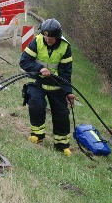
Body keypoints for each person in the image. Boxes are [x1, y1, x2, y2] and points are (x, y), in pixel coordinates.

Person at [19, 18, 76, 156]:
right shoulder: (37, 41)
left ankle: (61, 144)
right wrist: (39, 69)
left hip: (56, 85)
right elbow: (24, 62)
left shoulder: (65, 47)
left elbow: (66, 73)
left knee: (61, 113)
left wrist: (68, 92)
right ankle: (37, 135)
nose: (47, 39)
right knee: (36, 103)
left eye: (51, 37)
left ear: (57, 36)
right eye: (45, 36)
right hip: (38, 81)